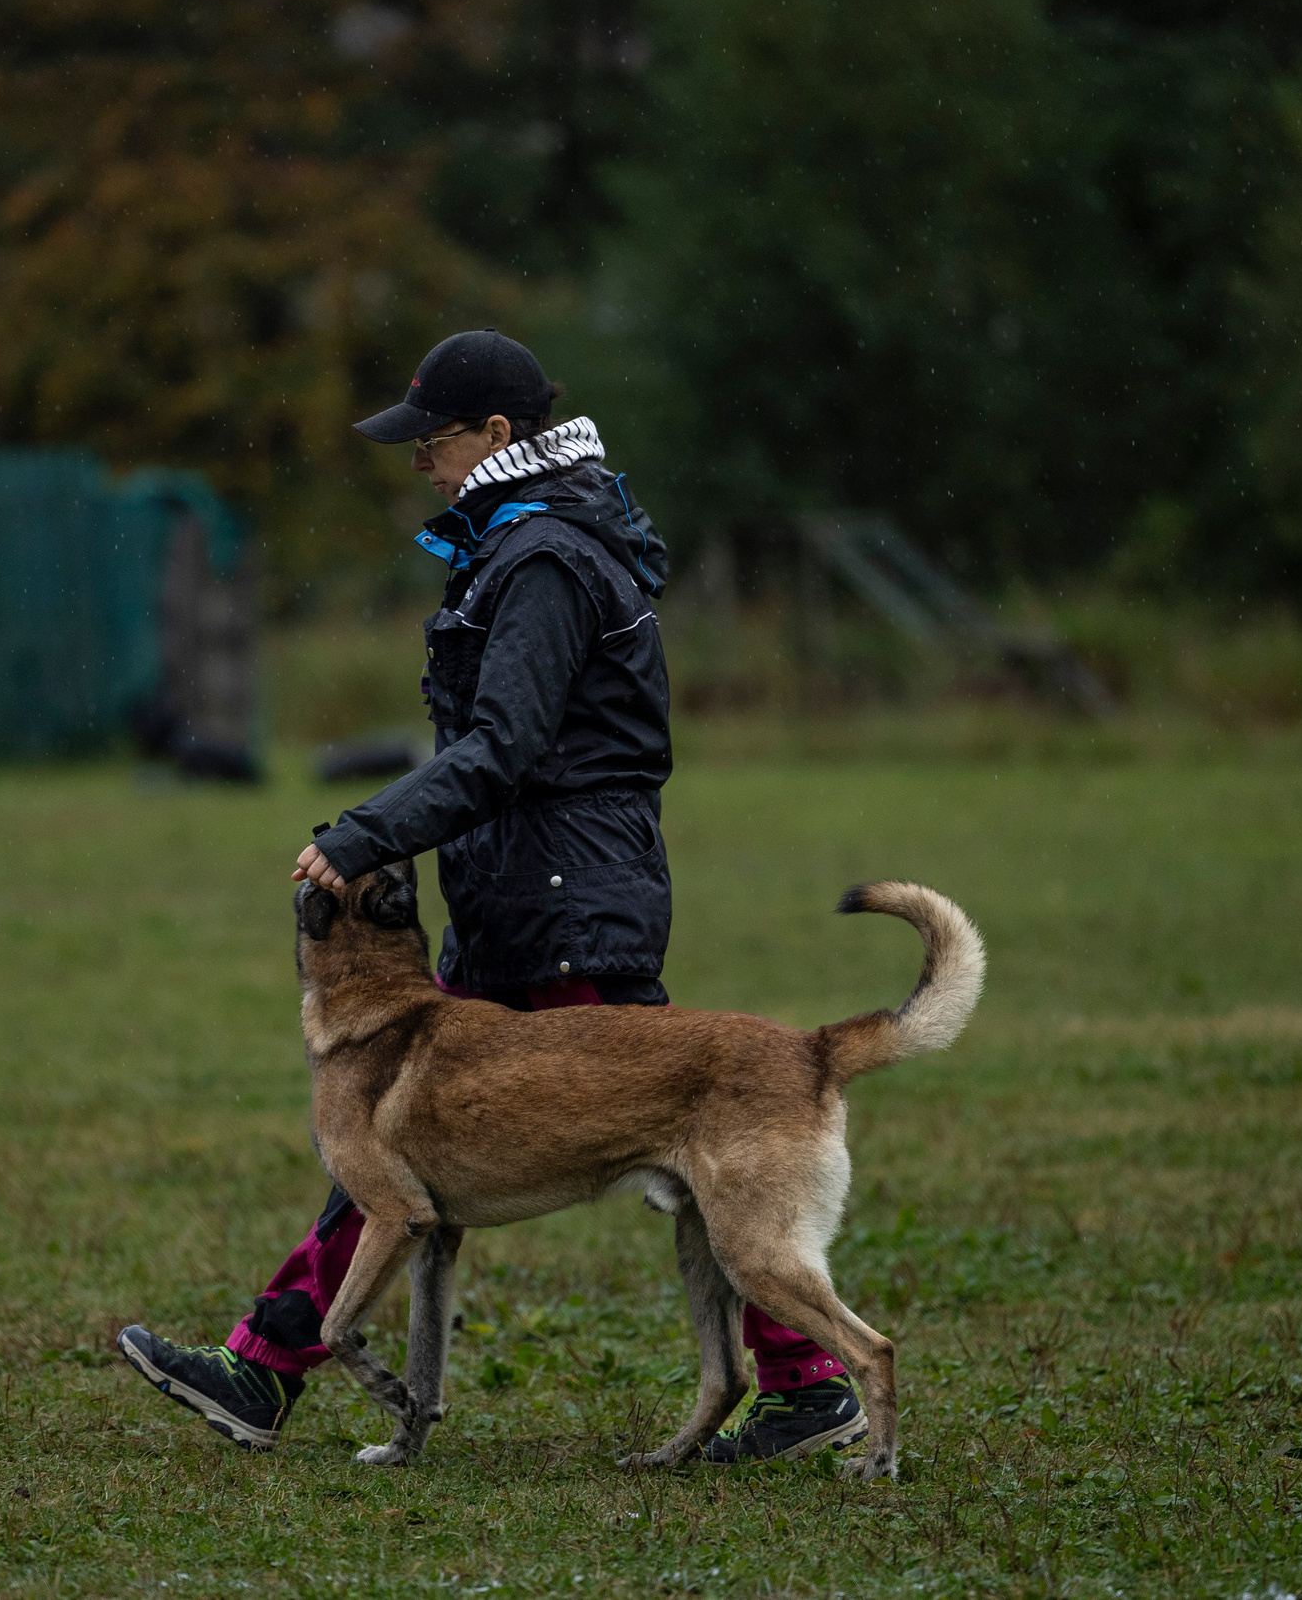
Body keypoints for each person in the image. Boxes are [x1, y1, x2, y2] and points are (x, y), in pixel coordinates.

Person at [118, 330, 865, 1465]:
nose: (419, 459)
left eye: (434, 439)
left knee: (710, 1130)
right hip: (520, 891)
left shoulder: (546, 559)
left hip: (568, 902)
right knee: (382, 1139)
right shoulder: (517, 543)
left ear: (498, 434)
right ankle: (264, 1366)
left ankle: (809, 1384)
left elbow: (503, 747)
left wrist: (363, 836)